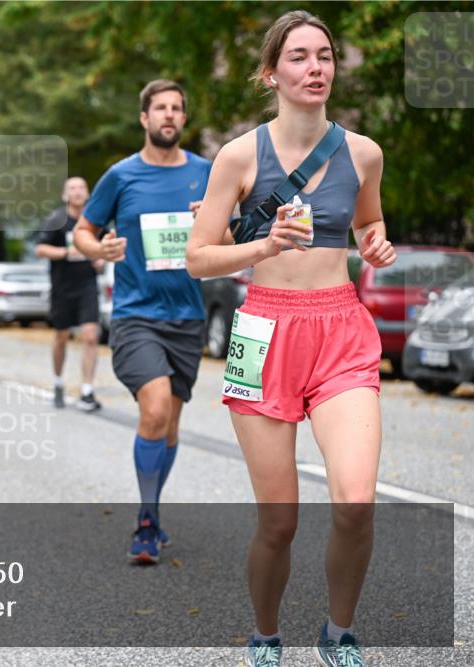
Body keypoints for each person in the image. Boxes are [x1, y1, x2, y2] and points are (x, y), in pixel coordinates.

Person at [186, 11, 396, 667]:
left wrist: (374, 241)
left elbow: (368, 218)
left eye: (325, 55)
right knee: (279, 521)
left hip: (340, 329)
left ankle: (338, 633)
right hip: (262, 330)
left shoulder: (363, 153)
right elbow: (199, 256)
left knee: (356, 503)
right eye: (300, 56)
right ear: (272, 72)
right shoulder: (239, 155)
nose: (316, 67)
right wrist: (264, 243)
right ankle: (266, 635)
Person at [73, 80, 210, 565]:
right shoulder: (121, 176)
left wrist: (216, 222)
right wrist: (99, 249)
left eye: (177, 108)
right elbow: (83, 232)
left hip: (188, 317)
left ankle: (152, 510)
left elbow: (234, 233)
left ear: (182, 119)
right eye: (160, 108)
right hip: (136, 316)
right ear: (144, 119)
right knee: (153, 410)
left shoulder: (206, 173)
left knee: (169, 423)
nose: (169, 115)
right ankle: (146, 522)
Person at [35, 177, 104, 412]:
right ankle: (57, 381)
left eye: (81, 188)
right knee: (61, 337)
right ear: (65, 195)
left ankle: (87, 390)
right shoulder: (56, 219)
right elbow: (40, 249)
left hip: (87, 286)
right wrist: (67, 252)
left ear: (87, 193)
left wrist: (100, 260)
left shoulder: (95, 221)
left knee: (91, 335)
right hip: (62, 288)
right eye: (72, 188)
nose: (77, 192)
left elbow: (104, 250)